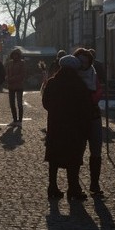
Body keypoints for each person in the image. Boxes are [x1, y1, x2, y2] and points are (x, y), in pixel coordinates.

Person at [41, 55, 97, 200]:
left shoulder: (53, 82)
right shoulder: (79, 84)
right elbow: (85, 107)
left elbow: (45, 103)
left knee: (53, 158)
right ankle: (73, 188)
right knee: (73, 159)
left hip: (56, 125)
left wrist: (55, 111)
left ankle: (52, 186)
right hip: (74, 128)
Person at [74, 48, 105, 197]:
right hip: (78, 118)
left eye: (85, 61)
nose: (83, 64)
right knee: (77, 151)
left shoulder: (93, 74)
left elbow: (98, 91)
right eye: (80, 61)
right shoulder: (73, 76)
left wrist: (91, 98)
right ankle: (75, 184)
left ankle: (95, 183)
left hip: (94, 116)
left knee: (96, 150)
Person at [5, 48, 27, 125]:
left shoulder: (22, 63)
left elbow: (22, 75)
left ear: (19, 55)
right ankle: (14, 120)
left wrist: (12, 79)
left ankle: (20, 121)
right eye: (14, 54)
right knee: (12, 104)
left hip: (19, 86)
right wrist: (7, 78)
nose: (15, 56)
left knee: (19, 103)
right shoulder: (10, 63)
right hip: (11, 86)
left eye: (16, 54)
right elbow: (7, 72)